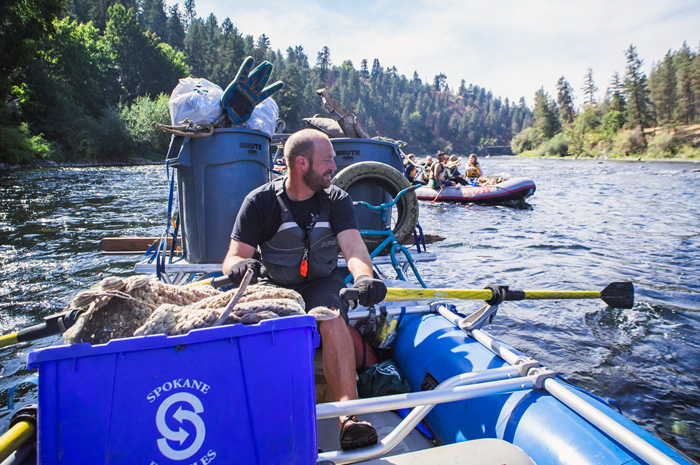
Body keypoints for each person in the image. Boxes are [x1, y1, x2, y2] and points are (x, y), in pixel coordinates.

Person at [222, 129, 386, 450]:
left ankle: (348, 417)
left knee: (331, 313)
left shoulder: (337, 199)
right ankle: (267, 419)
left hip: (322, 283)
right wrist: (239, 267)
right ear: (301, 164)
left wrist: (364, 278)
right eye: (327, 161)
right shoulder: (259, 202)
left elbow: (353, 250)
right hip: (276, 285)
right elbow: (233, 257)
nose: (334, 167)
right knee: (263, 325)